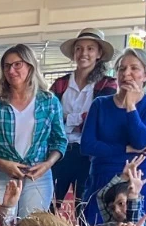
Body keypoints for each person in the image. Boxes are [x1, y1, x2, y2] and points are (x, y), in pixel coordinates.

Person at [0, 44, 66, 216]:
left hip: (37, 177)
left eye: (17, 64)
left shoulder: (49, 102)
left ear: (30, 66)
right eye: (6, 66)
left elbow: (60, 141)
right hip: (0, 177)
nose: (11, 70)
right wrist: (2, 164)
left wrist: (47, 164)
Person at [81, 48, 146, 226]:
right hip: (103, 174)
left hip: (139, 176)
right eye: (121, 68)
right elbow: (87, 145)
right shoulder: (100, 104)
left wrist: (131, 106)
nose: (126, 74)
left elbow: (141, 141)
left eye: (134, 68)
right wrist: (124, 149)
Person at [50, 28, 118, 207]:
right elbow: (50, 119)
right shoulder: (60, 83)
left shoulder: (108, 84)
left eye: (90, 49)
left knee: (85, 208)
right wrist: (80, 119)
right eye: (79, 48)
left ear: (99, 54)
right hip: (59, 152)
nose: (84, 53)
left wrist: (67, 119)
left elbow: (100, 121)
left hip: (89, 155)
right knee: (49, 206)